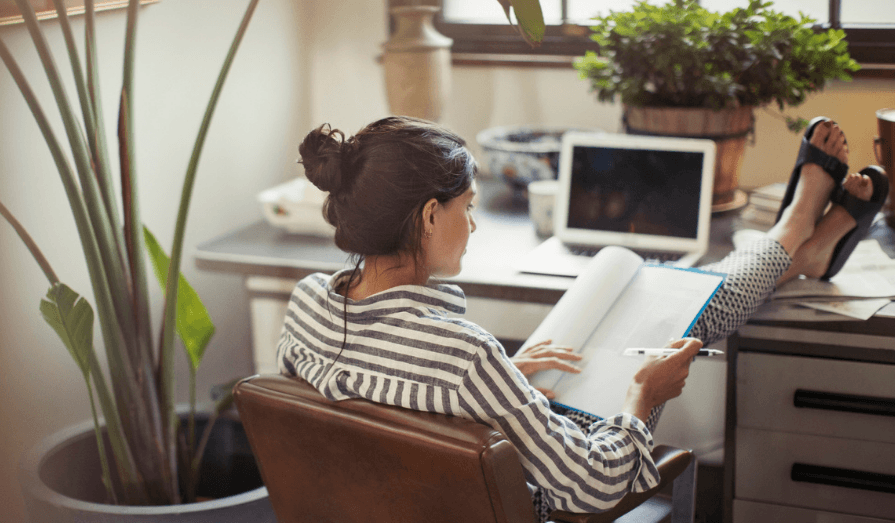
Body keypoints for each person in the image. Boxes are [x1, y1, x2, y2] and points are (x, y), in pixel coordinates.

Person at [275, 116, 876, 522]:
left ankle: (797, 249)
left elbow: (375, 416)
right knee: (676, 323)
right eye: (469, 208)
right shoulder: (464, 360)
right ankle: (795, 234)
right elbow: (588, 488)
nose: (475, 225)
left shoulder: (306, 305)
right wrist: (642, 399)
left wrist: (502, 377)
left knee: (663, 312)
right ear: (429, 216)